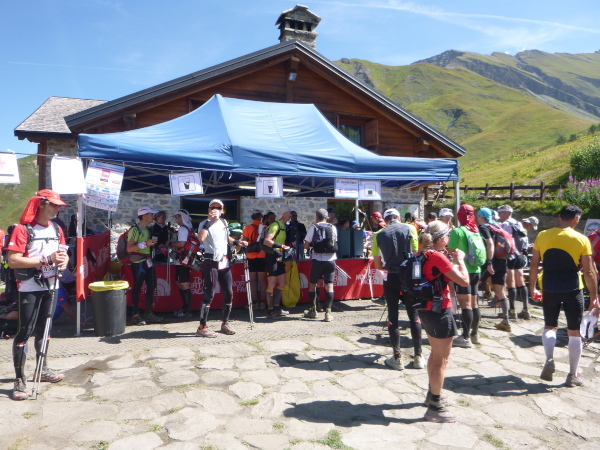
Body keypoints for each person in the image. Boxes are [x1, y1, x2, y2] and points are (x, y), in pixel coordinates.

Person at [7, 189, 69, 400]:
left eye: (59, 205)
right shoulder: (23, 229)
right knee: (25, 331)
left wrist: (64, 261)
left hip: (51, 285)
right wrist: (46, 260)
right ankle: (19, 380)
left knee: (45, 329)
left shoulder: (57, 228)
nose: (57, 208)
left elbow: (63, 254)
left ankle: (42, 370)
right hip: (29, 286)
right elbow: (13, 260)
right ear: (41, 204)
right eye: (53, 204)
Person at [530, 205, 599, 387]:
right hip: (572, 287)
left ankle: (549, 359)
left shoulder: (542, 235)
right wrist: (594, 296)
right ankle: (572, 374)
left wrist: (532, 288)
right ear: (576, 219)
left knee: (550, 325)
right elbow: (588, 271)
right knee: (574, 331)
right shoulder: (582, 239)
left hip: (549, 286)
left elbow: (534, 264)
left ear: (559, 217)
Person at [418, 221, 469, 422]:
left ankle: (432, 394)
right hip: (440, 310)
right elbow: (464, 280)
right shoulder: (438, 257)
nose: (449, 239)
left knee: (435, 354)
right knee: (442, 360)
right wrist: (461, 261)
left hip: (426, 309)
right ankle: (435, 407)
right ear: (441, 239)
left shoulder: (421, 253)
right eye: (447, 235)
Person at [372, 208, 420, 369]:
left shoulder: (379, 234)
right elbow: (416, 253)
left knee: (393, 316)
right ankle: (418, 356)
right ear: (399, 218)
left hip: (391, 276)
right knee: (414, 315)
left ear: (385, 220)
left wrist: (386, 267)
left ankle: (397, 357)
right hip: (408, 275)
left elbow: (377, 264)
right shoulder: (410, 228)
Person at [197, 199, 247, 337]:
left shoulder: (224, 222)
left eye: (219, 208)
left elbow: (226, 238)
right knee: (209, 294)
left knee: (229, 293)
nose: (216, 210)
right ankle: (202, 327)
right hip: (211, 261)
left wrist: (237, 242)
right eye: (213, 207)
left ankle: (225, 322)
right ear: (209, 210)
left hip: (224, 261)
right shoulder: (204, 223)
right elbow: (201, 238)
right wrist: (208, 222)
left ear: (222, 210)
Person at [448, 205, 483, 347]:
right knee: (474, 304)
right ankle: (475, 334)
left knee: (465, 305)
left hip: (463, 271)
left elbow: (450, 249)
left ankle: (465, 337)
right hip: (477, 270)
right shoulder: (476, 231)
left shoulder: (457, 231)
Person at [126, 206, 163, 326]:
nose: (153, 216)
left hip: (148, 261)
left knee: (152, 286)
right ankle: (135, 315)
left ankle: (148, 313)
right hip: (138, 263)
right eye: (151, 214)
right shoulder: (135, 229)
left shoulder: (148, 229)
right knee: (137, 288)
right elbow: (129, 248)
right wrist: (145, 244)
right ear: (144, 216)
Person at [477, 207, 511, 332]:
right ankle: (506, 321)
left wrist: (489, 262)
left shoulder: (484, 227)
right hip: (502, 261)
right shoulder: (497, 226)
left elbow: (490, 243)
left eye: (478, 216)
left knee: (474, 286)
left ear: (481, 217)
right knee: (501, 292)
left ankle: (475, 319)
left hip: (490, 262)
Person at [303, 208, 339, 322]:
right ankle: (328, 313)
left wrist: (307, 250)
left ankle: (313, 310)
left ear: (317, 217)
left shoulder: (314, 227)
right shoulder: (332, 227)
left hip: (317, 259)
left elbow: (306, 243)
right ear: (327, 217)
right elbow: (334, 241)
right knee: (329, 285)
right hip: (331, 259)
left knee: (313, 284)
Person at [498, 205, 530, 320]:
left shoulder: (505, 224)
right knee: (520, 281)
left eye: (500, 213)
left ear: (506, 213)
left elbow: (502, 240)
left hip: (510, 255)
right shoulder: (518, 223)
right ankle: (526, 309)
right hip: (520, 255)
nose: (499, 215)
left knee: (511, 282)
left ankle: (512, 311)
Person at [263, 205, 292, 319]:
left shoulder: (284, 226)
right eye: (289, 213)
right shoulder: (275, 225)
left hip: (279, 257)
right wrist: (282, 246)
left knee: (282, 283)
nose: (290, 215)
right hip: (271, 257)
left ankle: (276, 308)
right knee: (272, 283)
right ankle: (270, 310)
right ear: (284, 214)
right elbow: (266, 241)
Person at [170, 209, 194, 318]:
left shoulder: (183, 229)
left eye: (177, 217)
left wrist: (170, 244)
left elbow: (181, 243)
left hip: (182, 260)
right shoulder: (189, 228)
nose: (175, 219)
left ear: (181, 217)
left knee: (184, 284)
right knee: (180, 283)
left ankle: (187, 310)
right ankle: (185, 308)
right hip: (186, 259)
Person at [241, 210, 267, 309]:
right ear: (260, 216)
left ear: (252, 217)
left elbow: (244, 242)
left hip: (251, 256)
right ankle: (263, 303)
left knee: (252, 280)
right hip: (262, 256)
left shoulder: (248, 228)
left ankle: (254, 303)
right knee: (262, 280)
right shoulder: (265, 227)